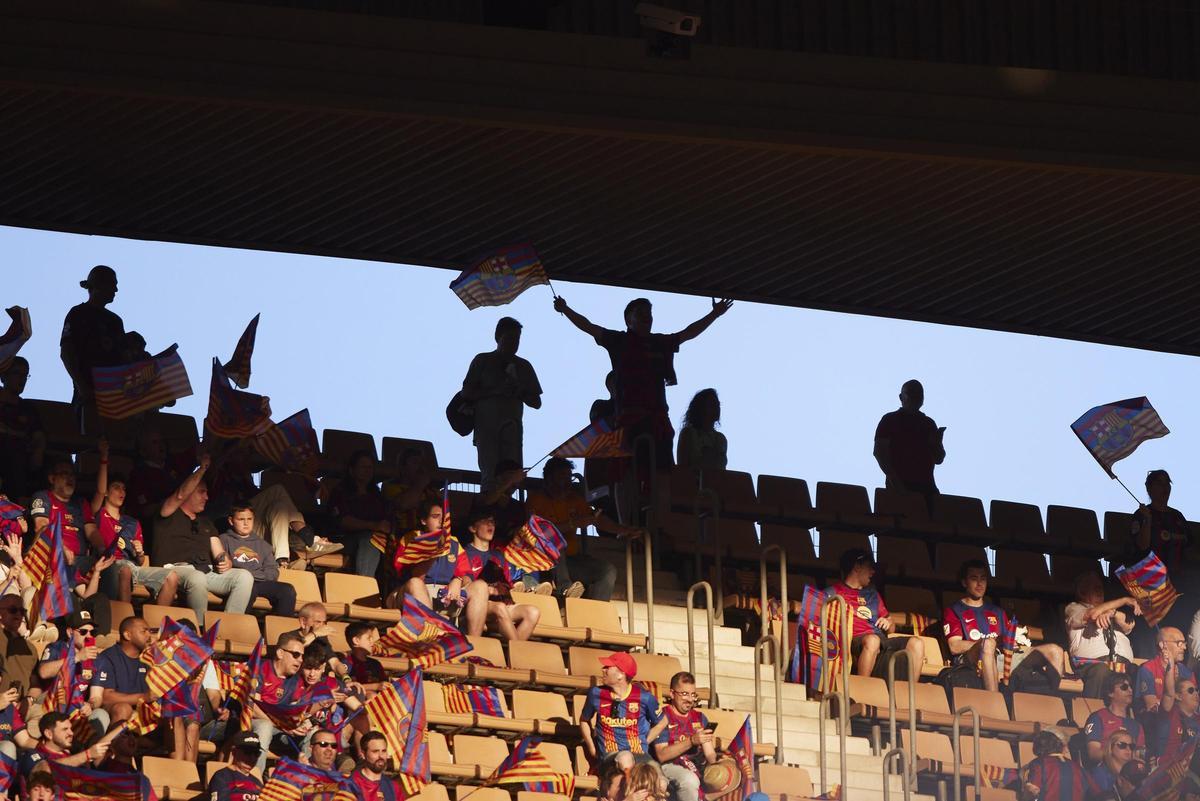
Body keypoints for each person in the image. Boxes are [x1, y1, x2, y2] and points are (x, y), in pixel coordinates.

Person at [553, 295, 733, 483]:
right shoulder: (619, 341)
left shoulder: (660, 343)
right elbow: (589, 327)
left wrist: (714, 315)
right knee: (626, 473)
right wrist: (566, 310)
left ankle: (658, 509)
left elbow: (688, 333)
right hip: (630, 420)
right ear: (628, 320)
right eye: (641, 313)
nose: (647, 317)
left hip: (658, 420)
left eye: (649, 313)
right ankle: (628, 509)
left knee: (663, 472)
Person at [151, 455, 254, 626]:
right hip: (173, 570)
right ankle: (199, 632)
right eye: (202, 492)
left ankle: (226, 629)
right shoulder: (167, 513)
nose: (207, 497)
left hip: (205, 571)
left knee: (244, 576)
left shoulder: (206, 522)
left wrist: (225, 561)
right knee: (197, 577)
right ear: (189, 492)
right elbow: (179, 495)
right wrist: (203, 468)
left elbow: (219, 551)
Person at [525, 457, 644, 601]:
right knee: (556, 542)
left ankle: (596, 612)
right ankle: (565, 590)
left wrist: (623, 530)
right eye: (562, 476)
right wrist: (572, 524)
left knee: (607, 570)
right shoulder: (536, 499)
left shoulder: (575, 499)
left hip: (572, 561)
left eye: (569, 476)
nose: (568, 481)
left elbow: (597, 520)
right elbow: (540, 532)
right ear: (549, 478)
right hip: (542, 561)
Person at [943, 560, 1064, 692]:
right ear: (964, 582)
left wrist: (1012, 641)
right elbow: (954, 646)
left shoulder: (997, 611)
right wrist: (989, 643)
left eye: (983, 578)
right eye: (974, 578)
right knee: (988, 644)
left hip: (1002, 657)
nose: (979, 583)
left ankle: (1053, 702)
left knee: (1055, 650)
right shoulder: (954, 610)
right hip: (972, 661)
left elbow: (1008, 643)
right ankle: (995, 703)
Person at [92, 439, 179, 605]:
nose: (122, 492)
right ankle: (125, 617)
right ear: (107, 493)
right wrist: (104, 458)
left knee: (171, 576)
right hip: (111, 565)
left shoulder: (132, 522)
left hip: (134, 568)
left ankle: (157, 622)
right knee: (124, 570)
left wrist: (139, 553)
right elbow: (99, 490)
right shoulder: (99, 514)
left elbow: (139, 562)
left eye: (124, 489)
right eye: (117, 487)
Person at [460, 317, 543, 490]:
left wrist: (520, 391)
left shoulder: (524, 366)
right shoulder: (483, 360)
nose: (514, 343)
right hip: (486, 425)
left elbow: (536, 402)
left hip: (512, 426)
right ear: (498, 336)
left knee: (512, 476)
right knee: (489, 474)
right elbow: (466, 392)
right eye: (510, 338)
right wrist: (495, 391)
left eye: (517, 339)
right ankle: (489, 506)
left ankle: (508, 508)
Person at [827, 549, 923, 678]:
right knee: (873, 640)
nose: (873, 572)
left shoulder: (873, 594)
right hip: (854, 640)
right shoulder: (833, 593)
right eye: (869, 567)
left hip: (880, 639)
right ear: (857, 567)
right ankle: (863, 686)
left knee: (917, 643)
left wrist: (888, 623)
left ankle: (911, 692)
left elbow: (892, 628)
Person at [454, 508, 541, 641]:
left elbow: (506, 585)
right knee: (500, 607)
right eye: (485, 521)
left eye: (493, 522)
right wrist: (488, 590)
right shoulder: (465, 553)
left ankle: (512, 654)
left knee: (533, 612)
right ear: (472, 528)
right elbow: (466, 583)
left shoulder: (499, 555)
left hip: (500, 603)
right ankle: (519, 653)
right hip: (477, 604)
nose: (491, 525)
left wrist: (505, 589)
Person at [60, 264, 126, 428]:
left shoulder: (115, 321)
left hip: (115, 395)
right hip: (88, 393)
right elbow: (66, 352)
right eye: (113, 284)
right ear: (100, 285)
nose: (116, 290)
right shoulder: (77, 313)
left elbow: (124, 359)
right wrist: (82, 386)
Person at [579, 652, 662, 770]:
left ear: (620, 675)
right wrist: (592, 748)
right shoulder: (595, 693)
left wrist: (645, 741)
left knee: (662, 783)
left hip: (640, 756)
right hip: (610, 756)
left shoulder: (644, 697)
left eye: (608, 667)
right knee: (625, 760)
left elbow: (662, 721)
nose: (603, 670)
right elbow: (584, 720)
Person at [1064, 572, 1140, 698]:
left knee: (1140, 672)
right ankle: (1092, 714)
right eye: (1095, 588)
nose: (1100, 591)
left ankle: (1139, 715)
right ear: (1082, 592)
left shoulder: (1112, 612)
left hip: (1121, 666)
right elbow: (1092, 614)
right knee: (1101, 670)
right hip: (1092, 665)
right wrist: (1125, 600)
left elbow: (1129, 624)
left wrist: (1112, 613)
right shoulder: (1074, 608)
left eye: (1100, 588)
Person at [35, 609, 108, 738]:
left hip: (77, 707)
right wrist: (76, 658)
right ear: (70, 632)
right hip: (52, 702)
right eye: (83, 631)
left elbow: (97, 696)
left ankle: (90, 755)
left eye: (93, 632)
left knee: (101, 714)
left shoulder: (99, 659)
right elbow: (43, 672)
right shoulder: (56, 648)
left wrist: (90, 705)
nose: (89, 636)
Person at [873, 379, 945, 504]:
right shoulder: (889, 420)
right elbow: (879, 453)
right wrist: (896, 482)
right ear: (901, 397)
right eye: (912, 393)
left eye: (919, 394)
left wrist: (936, 444)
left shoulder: (928, 424)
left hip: (927, 489)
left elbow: (939, 458)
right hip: (898, 488)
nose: (916, 397)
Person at [220, 503, 297, 616]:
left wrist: (256, 576)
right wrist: (247, 576)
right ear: (231, 521)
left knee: (287, 590)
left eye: (249, 519)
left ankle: (280, 631)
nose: (246, 523)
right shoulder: (223, 540)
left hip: (260, 582)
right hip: (237, 582)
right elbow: (224, 566)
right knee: (248, 588)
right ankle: (239, 626)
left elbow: (272, 571)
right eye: (241, 519)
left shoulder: (263, 544)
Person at [326, 450, 391, 579]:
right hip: (342, 540)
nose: (367, 471)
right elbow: (343, 521)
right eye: (363, 467)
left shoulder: (377, 496)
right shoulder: (340, 492)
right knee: (370, 539)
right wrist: (374, 525)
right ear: (352, 470)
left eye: (370, 467)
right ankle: (364, 585)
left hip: (378, 540)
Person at [246, 632, 305, 773]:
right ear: (280, 653)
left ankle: (308, 780)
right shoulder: (259, 670)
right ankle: (255, 777)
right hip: (252, 722)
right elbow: (252, 706)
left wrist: (299, 724)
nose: (301, 660)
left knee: (314, 735)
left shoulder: (297, 680)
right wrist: (279, 724)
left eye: (302, 656)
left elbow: (294, 710)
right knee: (265, 726)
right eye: (296, 655)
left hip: (280, 729)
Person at [654, 671, 717, 801]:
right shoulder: (662, 717)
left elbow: (710, 754)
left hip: (697, 765)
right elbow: (662, 755)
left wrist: (718, 766)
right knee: (689, 779)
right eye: (684, 694)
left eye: (692, 694)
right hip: (668, 766)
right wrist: (692, 741)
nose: (689, 699)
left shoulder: (700, 718)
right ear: (672, 694)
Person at [29, 460, 97, 563]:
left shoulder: (81, 503)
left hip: (81, 560)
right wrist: (61, 548)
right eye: (65, 474)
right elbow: (41, 527)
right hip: (52, 557)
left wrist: (103, 549)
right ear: (52, 479)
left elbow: (92, 532)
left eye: (72, 475)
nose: (70, 478)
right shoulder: (43, 497)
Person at [88, 615, 150, 725]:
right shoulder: (108, 657)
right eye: (144, 631)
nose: (149, 636)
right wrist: (144, 697)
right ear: (127, 635)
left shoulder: (149, 659)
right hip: (115, 708)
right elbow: (106, 697)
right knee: (123, 708)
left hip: (144, 707)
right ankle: (117, 742)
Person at [0, 356, 45, 498]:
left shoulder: (27, 408)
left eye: (25, 375)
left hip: (21, 459)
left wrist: (39, 450)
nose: (22, 379)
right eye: (17, 374)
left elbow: (39, 435)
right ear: (4, 376)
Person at [1083, 672, 1145, 763]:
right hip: (1104, 770)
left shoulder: (1136, 725)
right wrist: (1117, 754)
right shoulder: (1097, 718)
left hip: (1129, 772)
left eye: (1131, 687)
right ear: (1110, 693)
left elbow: (1140, 755)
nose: (1130, 690)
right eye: (1124, 687)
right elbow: (1093, 753)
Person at [1020, 729, 1095, 801]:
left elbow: (1032, 792)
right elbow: (1096, 792)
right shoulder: (1078, 767)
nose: (1067, 750)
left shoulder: (1038, 765)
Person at [1135, 627, 1192, 713]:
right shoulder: (1148, 669)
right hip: (1160, 721)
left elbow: (1194, 703)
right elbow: (1152, 707)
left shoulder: (1186, 672)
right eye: (1179, 643)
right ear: (1162, 645)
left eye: (1184, 643)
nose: (1184, 647)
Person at [1148, 675, 1200, 760]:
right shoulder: (1169, 713)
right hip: (1166, 767)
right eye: (1191, 690)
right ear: (1178, 696)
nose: (1196, 694)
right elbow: (1168, 693)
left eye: (1196, 690)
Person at [676, 389, 727, 472]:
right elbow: (682, 469)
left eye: (718, 404)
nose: (717, 408)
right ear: (700, 408)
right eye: (712, 404)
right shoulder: (688, 434)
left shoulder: (721, 439)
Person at [208, 731, 265, 801]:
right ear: (234, 752)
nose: (252, 758)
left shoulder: (257, 782)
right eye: (248, 752)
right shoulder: (222, 777)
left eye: (256, 753)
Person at [0, 592, 38, 697]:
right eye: (12, 610)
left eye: (22, 611)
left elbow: (35, 684)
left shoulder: (30, 648)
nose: (18, 615)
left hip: (24, 707)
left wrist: (30, 700)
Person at [1088, 729, 1142, 799]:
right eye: (1122, 745)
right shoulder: (1099, 774)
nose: (1128, 749)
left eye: (1131, 746)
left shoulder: (1134, 771)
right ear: (1111, 747)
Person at [352, 730, 402, 801]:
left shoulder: (393, 787)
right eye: (375, 751)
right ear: (363, 754)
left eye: (383, 751)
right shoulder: (351, 785)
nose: (380, 756)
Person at [344, 622, 386, 688]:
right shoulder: (346, 663)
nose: (373, 641)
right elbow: (345, 688)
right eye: (369, 638)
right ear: (356, 641)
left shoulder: (376, 664)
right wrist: (375, 686)